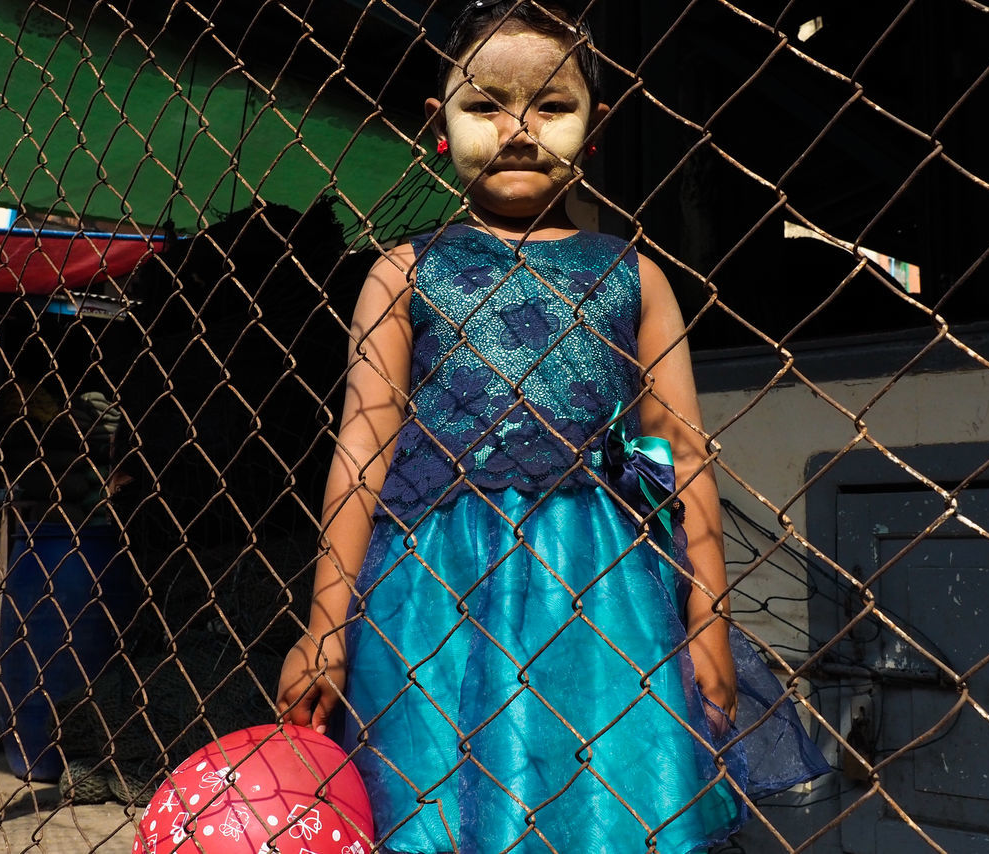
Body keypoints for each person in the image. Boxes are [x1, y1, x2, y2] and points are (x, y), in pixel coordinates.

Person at [277, 3, 827, 850]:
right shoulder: (404, 272)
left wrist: (706, 618)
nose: (519, 129)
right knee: (429, 805)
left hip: (603, 598)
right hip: (430, 594)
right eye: (485, 104)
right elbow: (363, 445)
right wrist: (323, 625)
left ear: (594, 128)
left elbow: (673, 453)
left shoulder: (631, 276)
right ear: (438, 126)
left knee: (605, 800)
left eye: (552, 105)